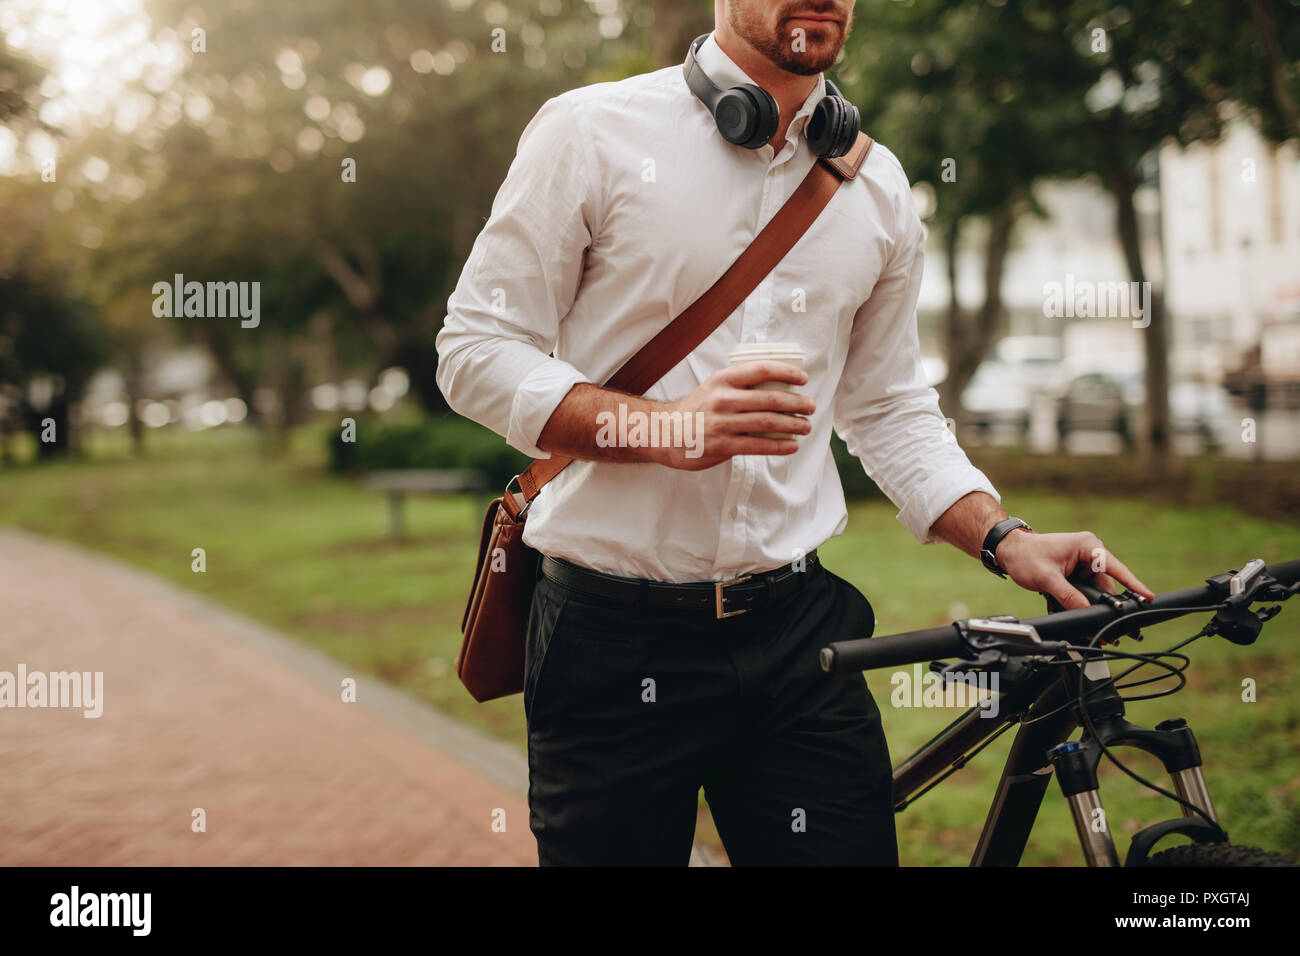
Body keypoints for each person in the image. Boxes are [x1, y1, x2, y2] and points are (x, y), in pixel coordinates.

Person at [435, 0, 1154, 866]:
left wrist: (1004, 538)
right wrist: (664, 428)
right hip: (609, 641)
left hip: (799, 644)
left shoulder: (879, 186)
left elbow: (887, 407)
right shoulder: (590, 132)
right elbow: (475, 350)